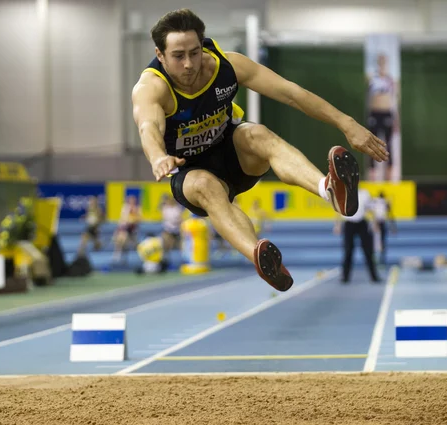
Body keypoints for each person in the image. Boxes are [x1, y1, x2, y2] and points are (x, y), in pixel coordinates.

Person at [131, 9, 388, 291]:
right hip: (191, 171)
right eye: (178, 56)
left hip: (234, 153)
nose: (189, 64)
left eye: (194, 52)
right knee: (207, 185)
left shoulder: (227, 66)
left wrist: (346, 123)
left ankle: (328, 189)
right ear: (160, 54)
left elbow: (292, 93)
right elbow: (148, 128)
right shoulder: (151, 88)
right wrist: (158, 157)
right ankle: (261, 256)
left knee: (258, 133)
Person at [333, 189, 381, 284]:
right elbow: (338, 209)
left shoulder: (364, 193)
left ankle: (374, 276)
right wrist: (337, 224)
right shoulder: (344, 193)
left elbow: (371, 209)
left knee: (368, 251)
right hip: (349, 223)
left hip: (362, 223)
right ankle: (345, 277)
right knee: (348, 251)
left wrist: (375, 223)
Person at [366, 53, 399, 182]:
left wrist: (396, 119)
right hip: (375, 114)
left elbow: (395, 101)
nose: (382, 63)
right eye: (380, 61)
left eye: (384, 61)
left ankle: (389, 179)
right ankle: (373, 178)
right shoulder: (372, 79)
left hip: (387, 114)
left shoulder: (391, 80)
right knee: (372, 145)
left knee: (388, 146)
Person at [112, 195, 142, 262]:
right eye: (130, 201)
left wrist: (133, 218)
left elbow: (139, 219)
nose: (132, 202)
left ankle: (141, 255)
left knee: (135, 244)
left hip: (133, 231)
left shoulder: (138, 208)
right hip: (124, 229)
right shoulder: (125, 208)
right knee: (122, 238)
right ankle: (117, 254)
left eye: (133, 201)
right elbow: (123, 220)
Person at [371, 191, 396, 266]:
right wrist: (393, 226)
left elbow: (389, 214)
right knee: (378, 243)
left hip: (380, 223)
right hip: (378, 223)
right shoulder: (381, 202)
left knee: (380, 243)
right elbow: (390, 215)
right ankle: (378, 260)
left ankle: (380, 260)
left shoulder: (379, 202)